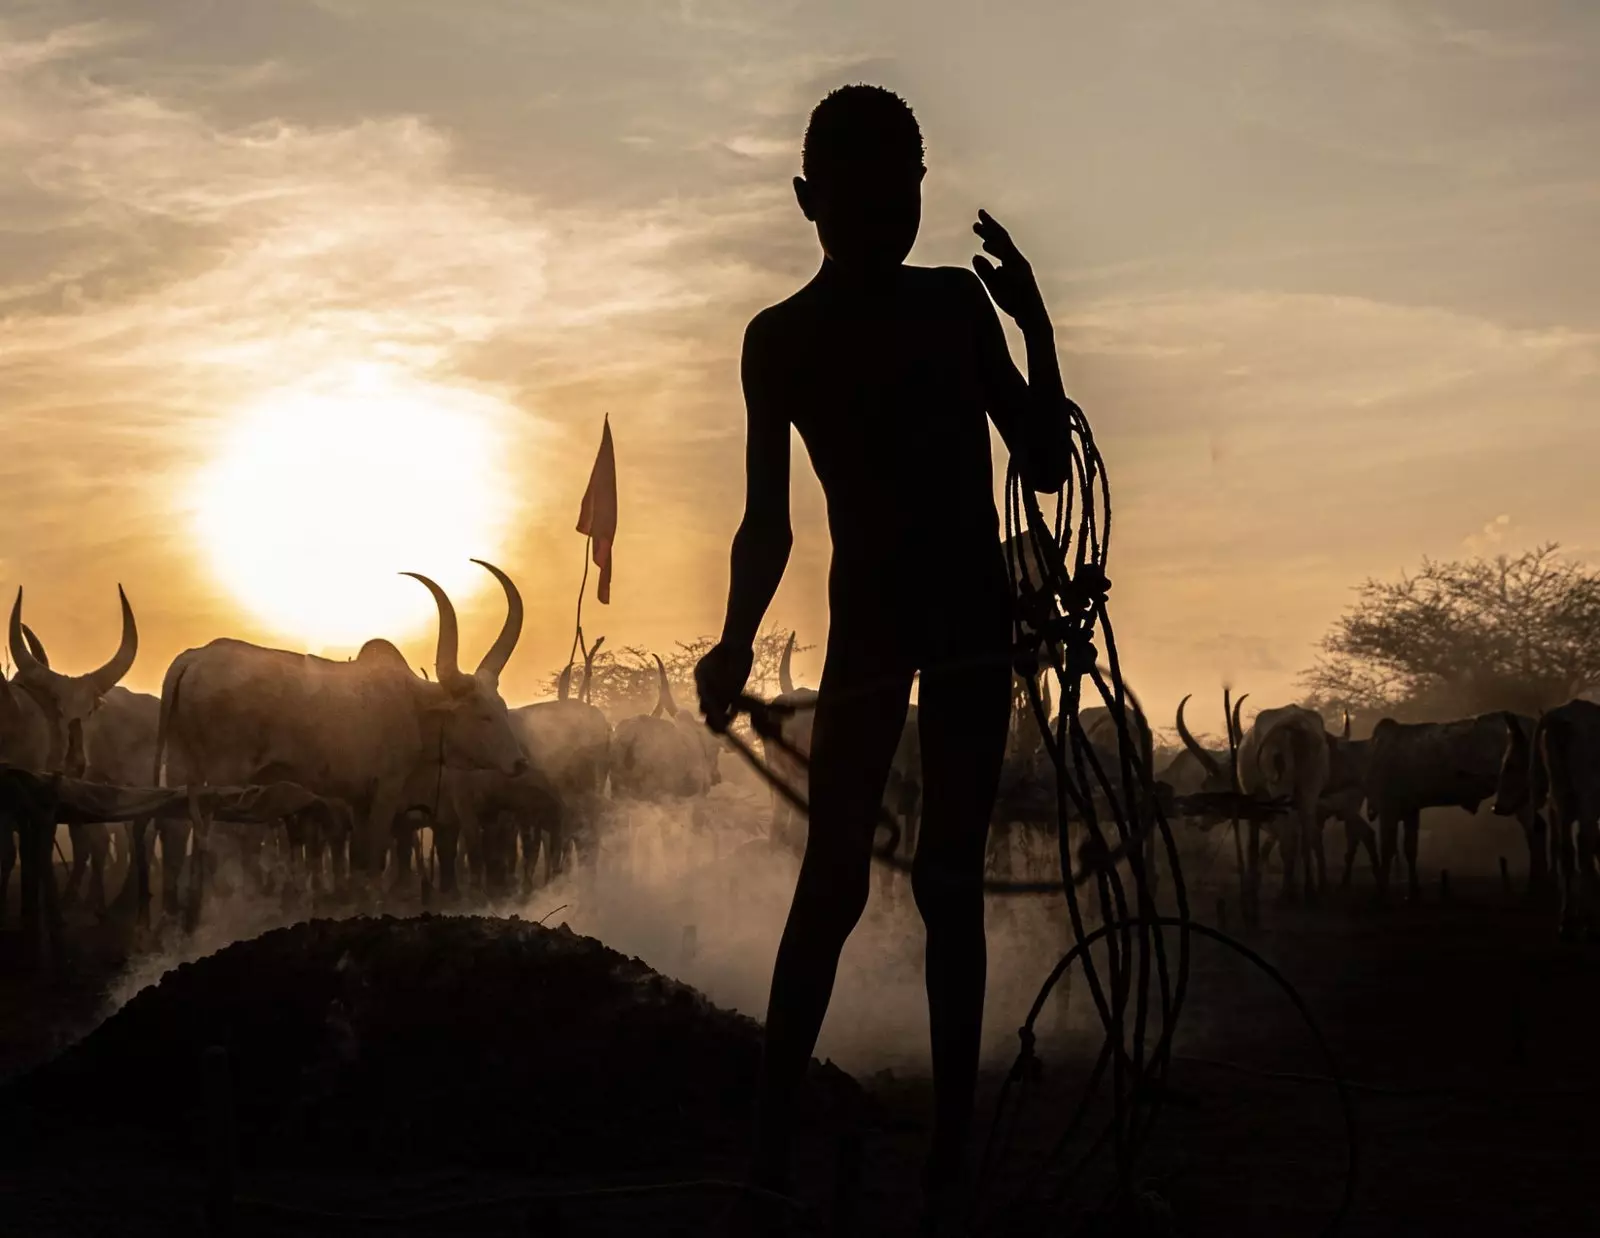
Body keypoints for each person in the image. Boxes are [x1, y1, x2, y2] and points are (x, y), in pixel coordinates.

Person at [695, 83, 1077, 1232]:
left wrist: (1034, 327)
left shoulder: (941, 312)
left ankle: (927, 1160)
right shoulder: (790, 340)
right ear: (810, 200)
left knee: (930, 881)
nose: (884, 215)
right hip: (901, 630)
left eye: (900, 192)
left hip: (959, 631)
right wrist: (732, 638)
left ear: (917, 190)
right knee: (848, 880)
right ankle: (798, 1155)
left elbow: (1044, 465)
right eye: (863, 198)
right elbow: (769, 524)